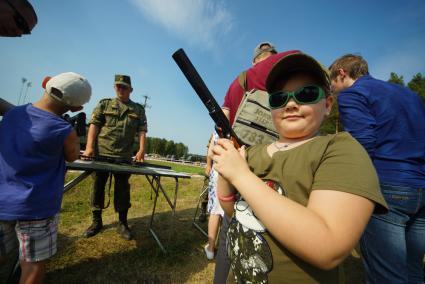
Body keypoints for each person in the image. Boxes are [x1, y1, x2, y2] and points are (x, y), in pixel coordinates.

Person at [212, 51, 388, 283]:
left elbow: (328, 246)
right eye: (278, 98)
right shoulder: (254, 152)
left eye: (306, 94)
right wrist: (226, 174)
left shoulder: (340, 150)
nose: (291, 103)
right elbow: (237, 212)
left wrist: (241, 175)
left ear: (327, 104)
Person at [329, 54, 425, 283]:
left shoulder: (352, 94)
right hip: (421, 186)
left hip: (387, 191)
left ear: (342, 73)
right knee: (414, 271)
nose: (331, 88)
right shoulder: (408, 94)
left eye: (331, 81)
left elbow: (363, 143)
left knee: (388, 276)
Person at [213, 42, 298, 283]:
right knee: (270, 230)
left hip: (236, 161)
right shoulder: (284, 69)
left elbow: (223, 121)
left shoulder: (239, 80)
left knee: (232, 229)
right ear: (274, 57)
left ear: (254, 60)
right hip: (273, 164)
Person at [0, 72, 91, 284]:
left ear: (44, 83)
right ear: (77, 108)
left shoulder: (11, 115)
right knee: (32, 264)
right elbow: (72, 156)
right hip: (37, 207)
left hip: (3, 201)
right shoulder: (64, 130)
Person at [82, 74, 147, 240]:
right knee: (98, 186)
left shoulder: (138, 109)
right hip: (102, 152)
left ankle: (122, 223)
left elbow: (142, 130)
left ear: (130, 89)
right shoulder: (105, 104)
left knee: (122, 189)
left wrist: (141, 150)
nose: (120, 89)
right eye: (118, 86)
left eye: (124, 86)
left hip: (124, 155)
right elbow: (94, 125)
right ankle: (96, 221)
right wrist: (89, 147)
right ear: (114, 87)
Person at [204, 131, 224, 260]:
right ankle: (225, 248)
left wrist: (209, 164)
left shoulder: (218, 129)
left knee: (215, 211)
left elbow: (211, 151)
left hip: (218, 170)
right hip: (238, 171)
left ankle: (211, 248)